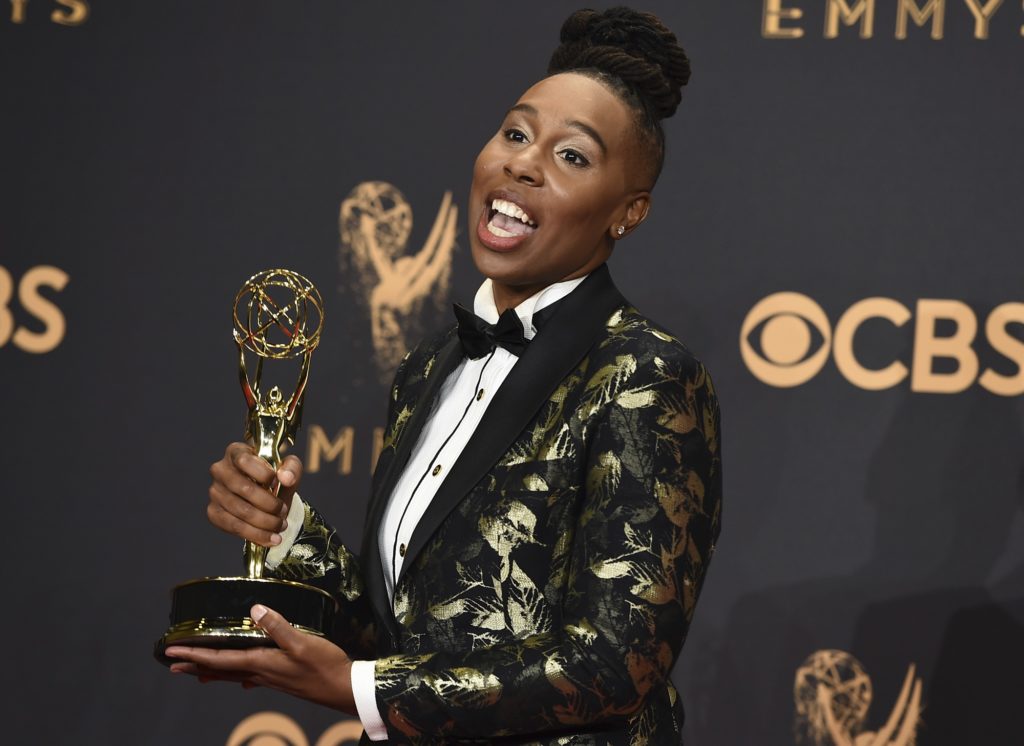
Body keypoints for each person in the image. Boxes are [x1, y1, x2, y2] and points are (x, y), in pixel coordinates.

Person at [166, 7, 723, 744]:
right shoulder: (431, 365)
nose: (523, 163)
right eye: (517, 133)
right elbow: (408, 624)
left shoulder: (646, 376)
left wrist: (357, 688)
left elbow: (615, 663)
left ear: (628, 212)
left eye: (573, 156)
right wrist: (284, 525)